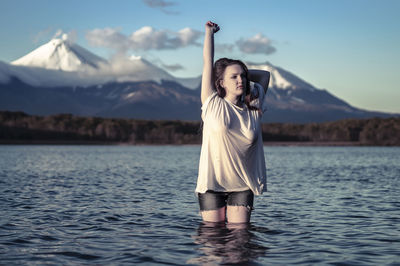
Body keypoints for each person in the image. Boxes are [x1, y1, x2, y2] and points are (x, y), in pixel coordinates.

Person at [195, 21, 270, 224]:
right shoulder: (212, 103)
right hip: (212, 185)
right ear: (220, 82)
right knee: (212, 242)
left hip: (242, 186)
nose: (241, 80)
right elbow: (207, 62)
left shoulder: (253, 104)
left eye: (243, 76)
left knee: (239, 246)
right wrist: (209, 33)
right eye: (234, 77)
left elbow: (265, 75)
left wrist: (241, 72)